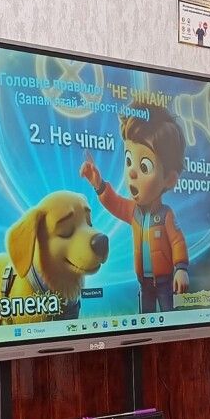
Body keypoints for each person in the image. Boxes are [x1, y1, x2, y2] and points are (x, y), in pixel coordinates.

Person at [80, 103, 189, 313]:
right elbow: (114, 202)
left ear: (169, 179)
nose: (131, 172)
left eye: (144, 166)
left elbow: (177, 241)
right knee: (145, 318)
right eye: (129, 160)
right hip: (144, 283)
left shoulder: (166, 215)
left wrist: (181, 269)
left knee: (169, 316)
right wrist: (98, 184)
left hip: (165, 282)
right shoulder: (133, 212)